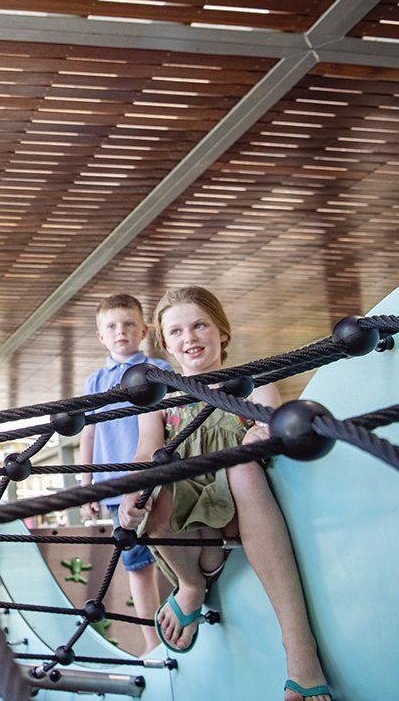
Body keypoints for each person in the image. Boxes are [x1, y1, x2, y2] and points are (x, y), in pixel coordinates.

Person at [117, 287, 331, 701]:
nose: (189, 338)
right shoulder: (161, 396)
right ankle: (190, 585)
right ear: (164, 343)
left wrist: (261, 431)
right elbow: (146, 451)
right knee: (152, 481)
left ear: (222, 333)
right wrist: (130, 492)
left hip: (237, 510)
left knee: (243, 464)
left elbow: (266, 422)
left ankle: (299, 645)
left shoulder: (250, 383)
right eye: (176, 331)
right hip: (186, 535)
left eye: (199, 325)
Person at [76, 294, 171, 655]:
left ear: (144, 330)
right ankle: (150, 643)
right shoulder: (95, 381)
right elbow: (89, 433)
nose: (121, 332)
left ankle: (185, 619)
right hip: (114, 486)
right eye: (112, 326)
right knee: (136, 565)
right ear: (101, 336)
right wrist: (87, 487)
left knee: (171, 553)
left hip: (157, 482)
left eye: (129, 324)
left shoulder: (158, 370)